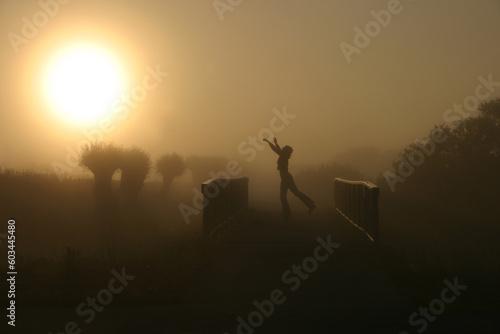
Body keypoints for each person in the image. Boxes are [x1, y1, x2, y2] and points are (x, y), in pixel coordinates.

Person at [263, 137, 315, 221]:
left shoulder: (283, 155)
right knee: (287, 195)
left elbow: (275, 149)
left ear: (285, 151)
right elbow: (278, 149)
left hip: (286, 178)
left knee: (290, 194)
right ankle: (290, 213)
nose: (282, 148)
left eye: (284, 148)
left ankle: (290, 213)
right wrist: (276, 143)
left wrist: (268, 141)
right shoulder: (283, 155)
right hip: (285, 178)